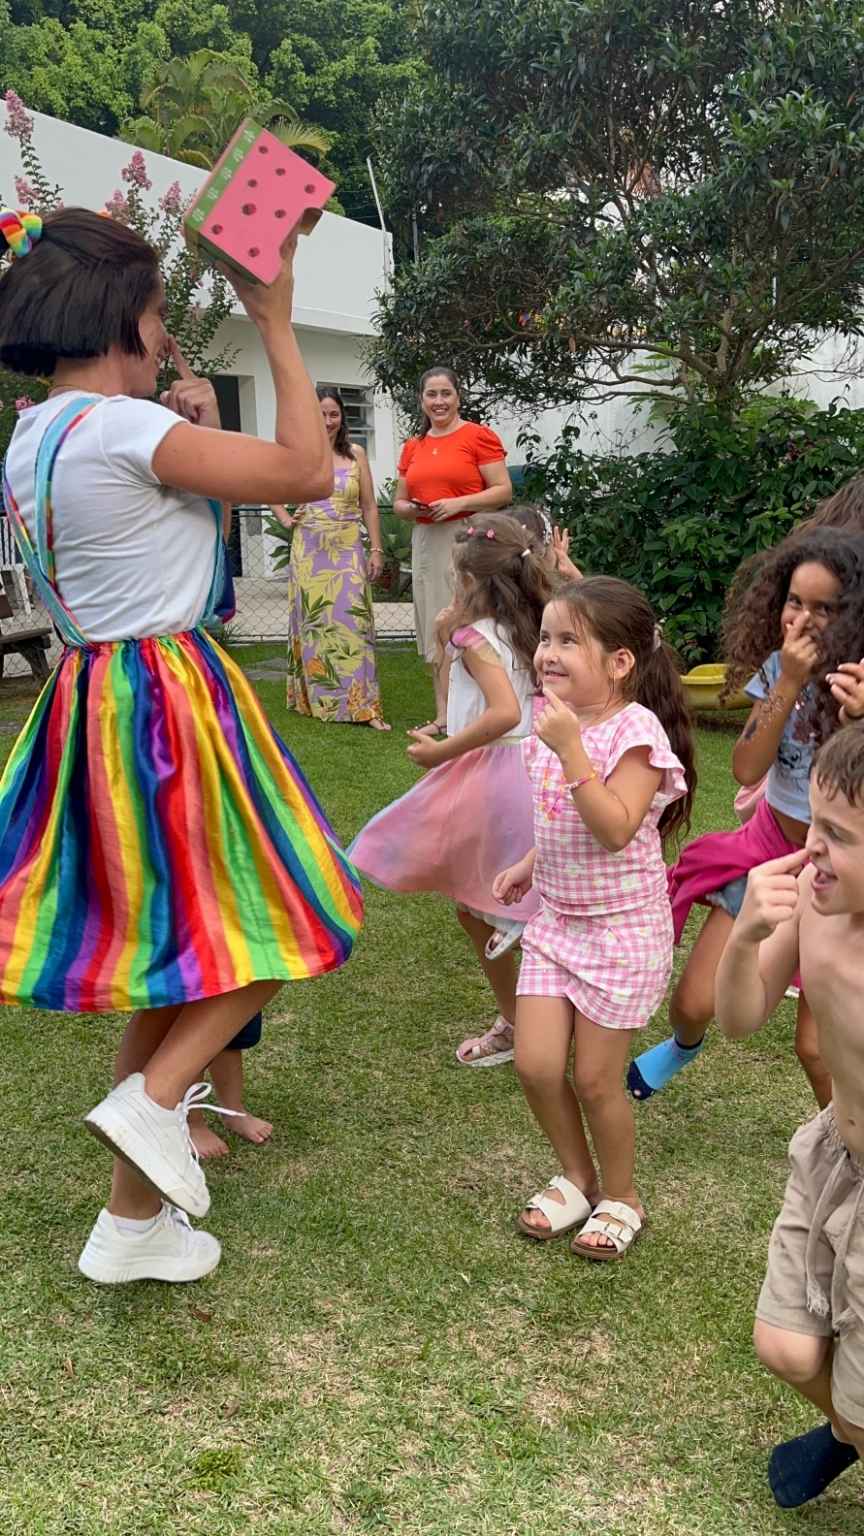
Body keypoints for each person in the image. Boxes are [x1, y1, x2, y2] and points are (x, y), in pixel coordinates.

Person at [0, 206, 363, 1285]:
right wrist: (278, 321)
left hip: (87, 698)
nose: (163, 338)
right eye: (157, 316)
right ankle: (154, 1102)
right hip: (165, 696)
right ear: (119, 317)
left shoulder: (33, 435)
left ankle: (131, 1226)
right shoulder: (120, 431)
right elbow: (309, 469)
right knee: (299, 911)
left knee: (171, 968)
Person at [628, 529, 864, 1108]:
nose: (802, 619)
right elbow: (744, 766)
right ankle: (684, 1047)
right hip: (769, 851)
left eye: (823, 608)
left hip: (839, 872)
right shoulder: (779, 670)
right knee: (692, 1002)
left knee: (814, 1046)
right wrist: (785, 683)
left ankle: (843, 1138)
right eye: (794, 601)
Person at [494, 578, 694, 1259]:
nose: (548, 652)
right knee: (535, 1064)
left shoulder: (635, 733)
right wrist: (528, 863)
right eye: (546, 638)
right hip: (557, 924)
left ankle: (621, 1194)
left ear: (618, 663)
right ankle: (576, 1177)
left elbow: (615, 828)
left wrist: (572, 749)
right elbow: (560, 818)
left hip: (620, 932)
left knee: (595, 1079)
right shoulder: (552, 720)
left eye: (568, 640)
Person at [715, 722, 864, 1510]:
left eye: (837, 837)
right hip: (833, 1157)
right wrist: (745, 940)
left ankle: (850, 1434)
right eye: (813, 825)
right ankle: (848, 1434)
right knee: (783, 1344)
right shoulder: (815, 896)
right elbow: (738, 1019)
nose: (811, 851)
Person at [350, 515, 553, 1066]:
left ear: (473, 583)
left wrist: (443, 751)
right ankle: (520, 1008)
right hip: (534, 767)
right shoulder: (528, 627)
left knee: (479, 895)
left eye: (455, 579)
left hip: (497, 771)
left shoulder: (474, 638)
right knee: (490, 892)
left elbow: (505, 711)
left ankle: (516, 1013)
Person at [392, 367, 512, 735]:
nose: (439, 401)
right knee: (435, 621)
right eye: (432, 394)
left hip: (468, 539)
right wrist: (411, 509)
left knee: (468, 617)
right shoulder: (414, 446)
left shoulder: (478, 436)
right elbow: (398, 501)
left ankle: (484, 704)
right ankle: (443, 713)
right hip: (427, 541)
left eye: (446, 393)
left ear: (458, 396)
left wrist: (458, 503)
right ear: (422, 400)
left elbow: (502, 490)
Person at [276, 386, 390, 729]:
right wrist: (284, 518)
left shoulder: (356, 454)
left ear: (342, 417)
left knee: (355, 623)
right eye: (321, 414)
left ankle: (363, 706)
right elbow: (268, 488)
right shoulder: (297, 454)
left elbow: (369, 505)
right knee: (315, 627)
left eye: (334, 414)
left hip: (347, 547)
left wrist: (376, 549)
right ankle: (319, 700)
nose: (327, 421)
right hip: (309, 550)